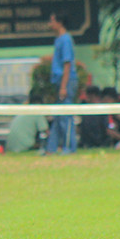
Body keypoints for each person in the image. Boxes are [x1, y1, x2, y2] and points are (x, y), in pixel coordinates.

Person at [45, 12, 78, 154]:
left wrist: (63, 87)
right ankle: (51, 149)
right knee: (58, 116)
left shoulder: (66, 40)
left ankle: (70, 148)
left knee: (65, 116)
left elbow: (67, 65)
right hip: (59, 81)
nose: (49, 24)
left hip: (66, 81)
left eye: (52, 21)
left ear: (60, 23)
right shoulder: (58, 40)